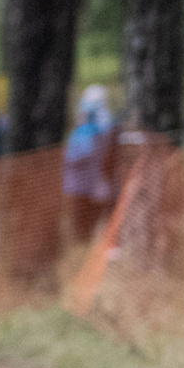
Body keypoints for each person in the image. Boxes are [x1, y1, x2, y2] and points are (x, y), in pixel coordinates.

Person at [60, 84, 115, 246]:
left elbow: (77, 156)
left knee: (85, 226)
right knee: (85, 226)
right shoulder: (98, 128)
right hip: (88, 187)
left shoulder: (94, 130)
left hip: (88, 188)